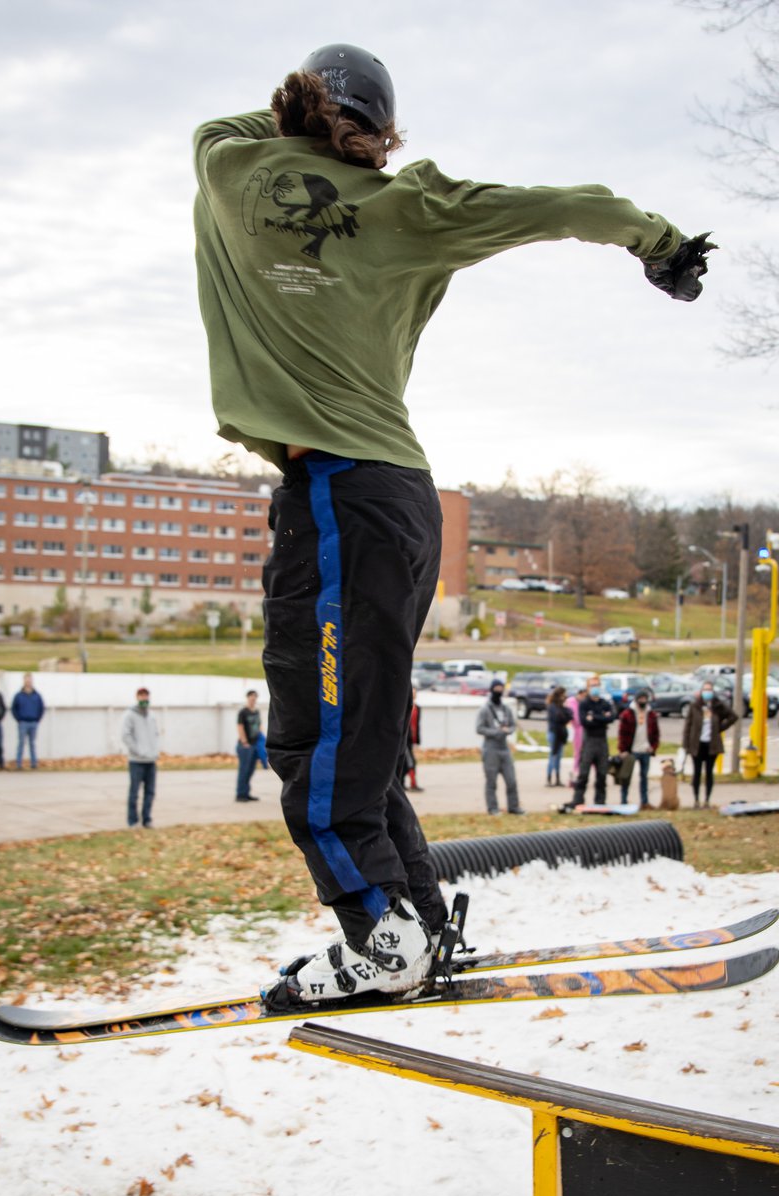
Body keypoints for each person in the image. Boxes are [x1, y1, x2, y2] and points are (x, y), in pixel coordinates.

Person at [193, 44, 711, 1002]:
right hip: (404, 499)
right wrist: (661, 243)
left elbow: (229, 127)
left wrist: (309, 122)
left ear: (294, 108)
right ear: (381, 136)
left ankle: (382, 939)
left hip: (337, 498)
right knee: (369, 736)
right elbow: (562, 204)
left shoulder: (230, 167)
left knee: (317, 735)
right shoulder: (411, 208)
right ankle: (421, 922)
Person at [476, 678, 524, 815]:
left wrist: (509, 730)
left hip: (504, 747)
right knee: (491, 781)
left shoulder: (506, 709)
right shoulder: (485, 709)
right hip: (490, 748)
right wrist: (496, 732)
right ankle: (493, 808)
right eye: (496, 688)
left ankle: (514, 807)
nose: (499, 691)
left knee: (511, 780)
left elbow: (513, 725)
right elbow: (479, 728)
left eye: (501, 688)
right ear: (491, 690)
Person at [567, 677, 617, 808]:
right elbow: (584, 721)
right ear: (588, 688)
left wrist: (594, 717)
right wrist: (602, 718)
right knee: (583, 773)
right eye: (592, 686)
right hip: (589, 741)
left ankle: (600, 801)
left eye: (597, 685)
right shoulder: (584, 704)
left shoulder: (605, 703)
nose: (595, 688)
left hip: (602, 741)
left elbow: (611, 717)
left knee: (602, 773)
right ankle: (578, 799)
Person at [688, 681, 735, 808]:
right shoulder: (695, 706)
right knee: (696, 773)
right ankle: (696, 800)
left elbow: (733, 716)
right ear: (701, 691)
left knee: (709, 773)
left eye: (709, 690)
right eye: (705, 690)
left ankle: (707, 800)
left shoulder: (717, 706)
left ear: (713, 692)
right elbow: (688, 725)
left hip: (711, 745)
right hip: (697, 744)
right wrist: (686, 744)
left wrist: (720, 728)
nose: (707, 692)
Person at [121, 687, 161, 830]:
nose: (144, 698)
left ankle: (147, 819)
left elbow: (156, 734)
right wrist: (138, 751)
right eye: (141, 695)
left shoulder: (151, 715)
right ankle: (132, 820)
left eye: (146, 695)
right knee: (134, 792)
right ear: (137, 697)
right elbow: (126, 736)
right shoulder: (130, 715)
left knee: (150, 792)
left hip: (151, 760)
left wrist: (155, 751)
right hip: (136, 761)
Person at [616, 688, 659, 806]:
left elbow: (656, 733)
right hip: (631, 750)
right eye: (641, 699)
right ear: (636, 700)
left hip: (645, 750)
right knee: (626, 777)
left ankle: (644, 802)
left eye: (645, 699)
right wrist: (623, 750)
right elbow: (622, 734)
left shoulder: (651, 715)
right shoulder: (627, 714)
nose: (643, 701)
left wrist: (653, 747)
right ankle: (624, 800)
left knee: (644, 777)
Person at [11, 673, 45, 770]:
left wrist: (37, 719)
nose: (28, 682)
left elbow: (41, 708)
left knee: (32, 743)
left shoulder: (37, 695)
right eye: (26, 680)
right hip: (23, 722)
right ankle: (19, 764)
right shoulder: (19, 695)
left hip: (33, 722)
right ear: (24, 681)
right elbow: (14, 708)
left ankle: (34, 764)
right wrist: (18, 719)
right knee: (21, 743)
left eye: (29, 680)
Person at [235, 690, 262, 802]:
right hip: (245, 746)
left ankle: (246, 793)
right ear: (247, 698)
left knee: (250, 770)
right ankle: (240, 794)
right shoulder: (243, 712)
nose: (253, 699)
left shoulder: (256, 712)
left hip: (255, 744)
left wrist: (261, 740)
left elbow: (260, 726)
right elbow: (240, 727)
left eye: (255, 697)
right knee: (244, 770)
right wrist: (244, 741)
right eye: (251, 697)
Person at [544, 686, 570, 787]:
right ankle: (549, 778)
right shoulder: (552, 706)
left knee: (559, 757)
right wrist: (564, 715)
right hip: (554, 733)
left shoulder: (561, 706)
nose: (565, 697)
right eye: (563, 695)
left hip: (561, 734)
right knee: (553, 756)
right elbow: (559, 717)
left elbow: (568, 715)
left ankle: (557, 778)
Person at [400, 685, 423, 792]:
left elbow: (417, 725)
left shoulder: (417, 708)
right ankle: (408, 783)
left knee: (408, 761)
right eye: (412, 692)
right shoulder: (403, 707)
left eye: (415, 692)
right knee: (409, 762)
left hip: (411, 740)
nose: (414, 694)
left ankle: (406, 783)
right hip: (403, 739)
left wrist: (417, 740)